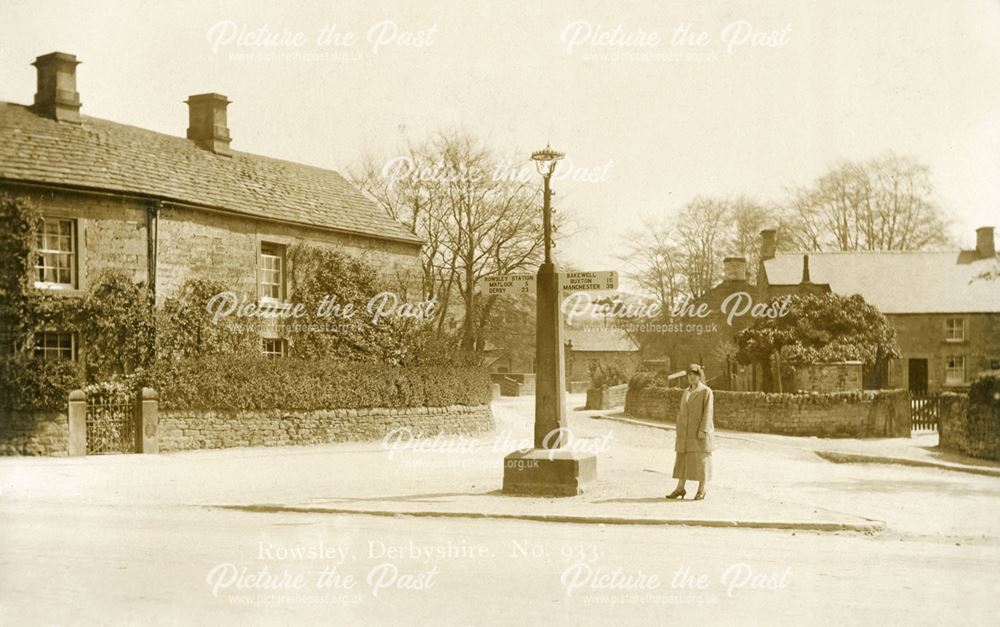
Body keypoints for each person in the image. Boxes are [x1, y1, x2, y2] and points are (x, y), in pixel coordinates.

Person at [666, 364, 714, 501]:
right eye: (689, 375)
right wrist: (679, 428)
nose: (692, 377)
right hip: (685, 433)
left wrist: (703, 430)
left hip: (699, 433)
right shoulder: (686, 392)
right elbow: (681, 412)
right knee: (683, 460)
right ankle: (680, 488)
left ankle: (701, 490)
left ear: (700, 376)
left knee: (701, 461)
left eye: (695, 374)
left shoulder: (706, 391)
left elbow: (708, 413)